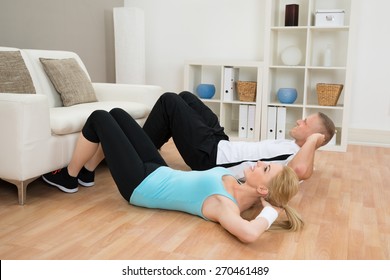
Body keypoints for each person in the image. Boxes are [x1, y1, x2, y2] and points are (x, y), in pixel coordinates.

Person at [41, 108, 303, 243]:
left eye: (266, 168)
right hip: (158, 169)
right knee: (118, 114)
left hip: (140, 185)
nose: (260, 162)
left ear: (263, 191)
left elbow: (249, 234)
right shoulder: (237, 182)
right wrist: (272, 202)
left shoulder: (223, 206)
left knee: (99, 118)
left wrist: (269, 214)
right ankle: (87, 174)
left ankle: (69, 177)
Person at [142, 91, 335, 181]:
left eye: (305, 122)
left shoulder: (295, 159)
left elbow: (301, 170)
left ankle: (139, 153)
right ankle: (150, 145)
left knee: (170, 101)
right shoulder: (295, 148)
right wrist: (312, 141)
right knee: (186, 98)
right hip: (221, 144)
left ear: (314, 136)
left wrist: (314, 141)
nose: (299, 121)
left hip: (210, 159)